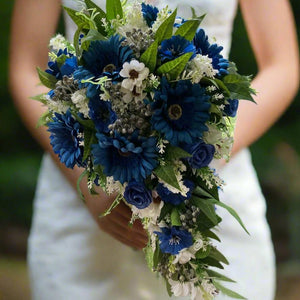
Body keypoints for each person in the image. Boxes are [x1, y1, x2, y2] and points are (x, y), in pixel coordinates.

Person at [9, 0, 299, 299]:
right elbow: (25, 67)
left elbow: (282, 64)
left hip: (211, 187)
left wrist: (198, 155)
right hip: (82, 195)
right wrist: (88, 182)